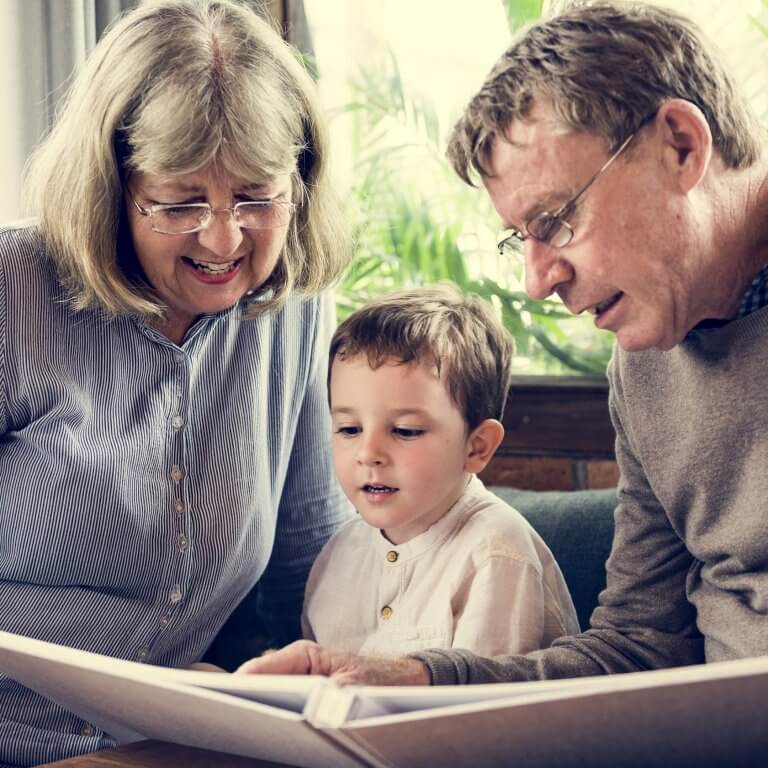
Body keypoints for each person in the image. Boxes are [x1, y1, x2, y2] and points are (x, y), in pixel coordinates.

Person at [237, 1, 768, 687]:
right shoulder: (644, 367)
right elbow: (639, 644)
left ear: (681, 147)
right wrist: (419, 681)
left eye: (556, 220)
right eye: (524, 238)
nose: (539, 281)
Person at [0, 0, 351, 764]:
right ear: (111, 188)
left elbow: (307, 559)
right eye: (181, 202)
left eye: (257, 197)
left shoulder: (291, 309)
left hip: (172, 736)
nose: (224, 239)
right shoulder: (11, 290)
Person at [301, 285, 579, 657]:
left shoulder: (497, 554)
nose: (368, 454)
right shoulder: (338, 553)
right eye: (349, 429)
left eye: (405, 431)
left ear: (477, 447)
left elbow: (485, 709)